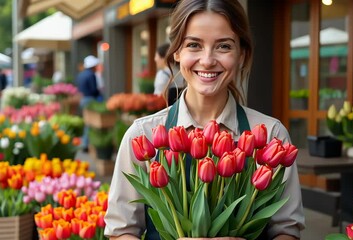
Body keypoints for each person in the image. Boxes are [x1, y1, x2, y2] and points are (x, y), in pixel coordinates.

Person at [104, 0, 305, 239]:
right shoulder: (143, 135)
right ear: (177, 52)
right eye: (194, 45)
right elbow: (121, 231)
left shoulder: (272, 135)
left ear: (242, 55)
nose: (208, 60)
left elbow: (287, 231)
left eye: (223, 46)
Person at [76, 55, 102, 152]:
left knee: (86, 122)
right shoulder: (91, 75)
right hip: (90, 100)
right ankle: (86, 144)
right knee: (91, 123)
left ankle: (85, 143)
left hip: (83, 99)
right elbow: (94, 90)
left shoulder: (81, 74)